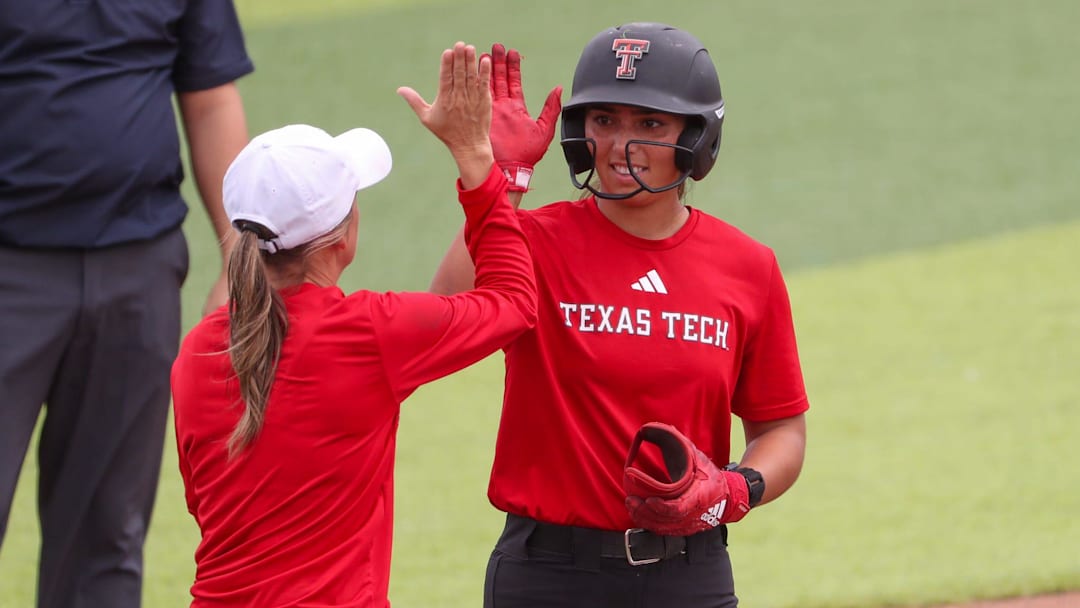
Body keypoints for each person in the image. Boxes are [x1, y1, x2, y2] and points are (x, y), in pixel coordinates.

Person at [430, 23, 809, 607]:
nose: (618, 145)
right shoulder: (533, 240)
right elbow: (445, 320)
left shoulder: (748, 267)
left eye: (649, 124)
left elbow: (780, 428)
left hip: (692, 576)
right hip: (547, 577)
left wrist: (737, 488)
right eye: (604, 120)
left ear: (698, 135)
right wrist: (499, 183)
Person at [170, 42, 536, 607]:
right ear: (343, 236)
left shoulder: (199, 350)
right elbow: (513, 301)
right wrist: (481, 163)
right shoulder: (371, 334)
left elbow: (204, 501)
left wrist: (497, 178)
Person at [0, 2, 252, 606]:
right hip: (10, 264)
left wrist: (237, 255)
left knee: (107, 534)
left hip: (138, 267)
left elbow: (211, 95)